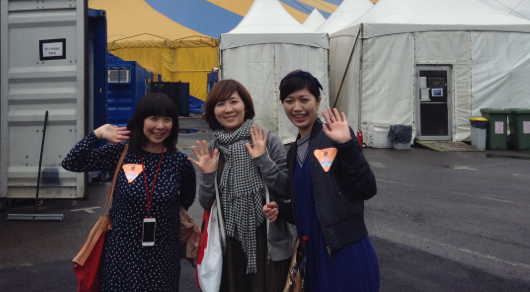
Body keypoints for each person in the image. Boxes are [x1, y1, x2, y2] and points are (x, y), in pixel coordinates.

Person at [62, 93, 196, 292]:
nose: (160, 126)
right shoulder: (121, 153)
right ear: (140, 120)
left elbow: (185, 200)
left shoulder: (180, 162)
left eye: (167, 119)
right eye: (153, 118)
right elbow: (71, 162)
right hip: (122, 254)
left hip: (163, 256)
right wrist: (96, 134)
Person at [263, 70, 380, 292]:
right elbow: (310, 204)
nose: (297, 107)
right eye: (289, 101)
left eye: (304, 99)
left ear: (318, 102)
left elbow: (367, 188)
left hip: (343, 250)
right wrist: (282, 209)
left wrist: (347, 145)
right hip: (312, 253)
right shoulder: (293, 152)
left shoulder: (336, 137)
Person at [190, 79, 295, 292]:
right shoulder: (213, 148)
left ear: (245, 105)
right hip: (230, 242)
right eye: (220, 104)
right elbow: (207, 204)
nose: (228, 109)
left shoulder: (267, 140)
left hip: (267, 241)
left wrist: (263, 159)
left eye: (233, 101)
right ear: (213, 112)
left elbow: (287, 189)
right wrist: (208, 176)